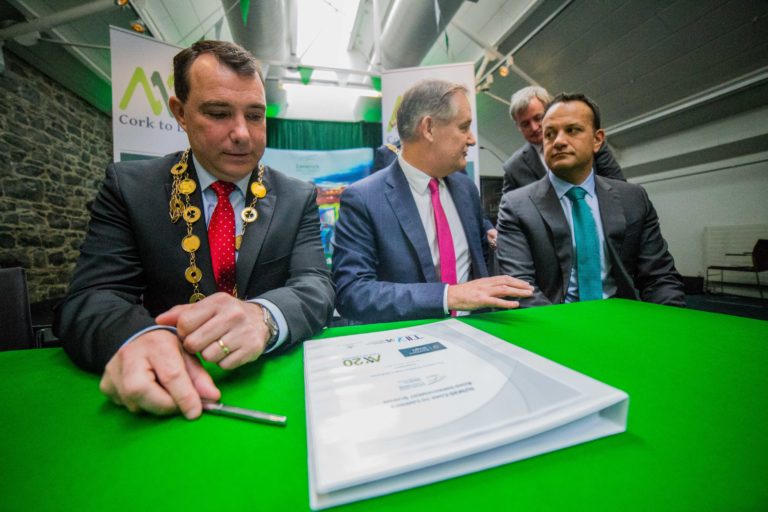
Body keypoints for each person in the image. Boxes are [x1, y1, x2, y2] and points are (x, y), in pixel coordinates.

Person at [54, 41, 334, 419]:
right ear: (180, 113)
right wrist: (142, 337)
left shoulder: (296, 195)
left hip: (271, 385)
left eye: (255, 115)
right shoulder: (131, 188)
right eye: (218, 113)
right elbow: (91, 298)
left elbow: (316, 284)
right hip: (167, 391)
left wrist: (264, 317)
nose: (242, 134)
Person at [332, 79, 533, 323]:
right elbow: (352, 293)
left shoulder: (466, 190)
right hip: (409, 345)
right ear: (428, 128)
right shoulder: (364, 199)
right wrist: (448, 296)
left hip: (480, 334)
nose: (472, 139)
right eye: (464, 127)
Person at [496, 93, 684, 307]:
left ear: (597, 140)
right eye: (550, 134)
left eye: (572, 130)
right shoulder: (516, 206)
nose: (558, 141)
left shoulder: (633, 199)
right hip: (555, 325)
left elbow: (659, 278)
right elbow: (521, 288)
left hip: (623, 319)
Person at [501, 86, 624, 194]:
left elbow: (618, 187)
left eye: (538, 118)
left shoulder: (590, 142)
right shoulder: (513, 168)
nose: (534, 127)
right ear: (518, 127)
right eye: (525, 124)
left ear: (550, 111)